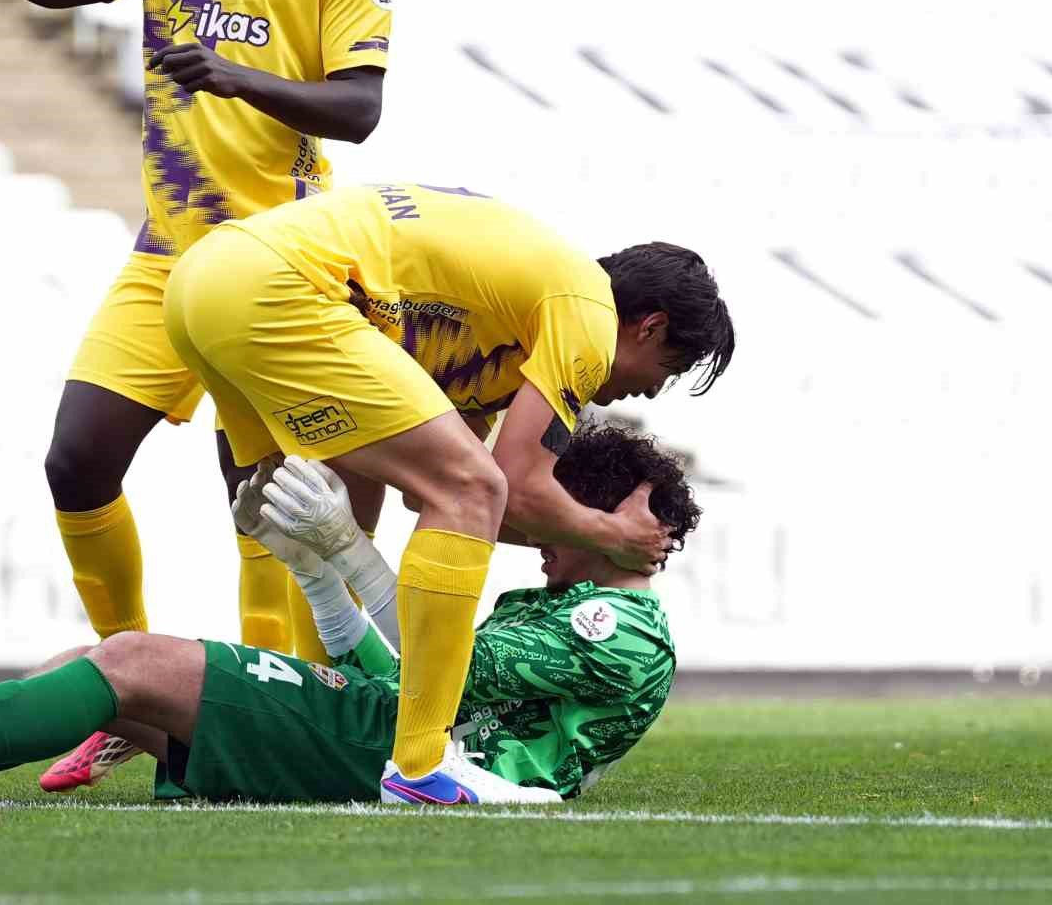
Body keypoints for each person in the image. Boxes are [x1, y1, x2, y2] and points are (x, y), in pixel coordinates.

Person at [20, 0, 393, 785]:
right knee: (76, 460)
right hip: (163, 257)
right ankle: (121, 686)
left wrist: (231, 75)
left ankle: (255, 729)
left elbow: (360, 110)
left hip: (275, 267)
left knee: (263, 510)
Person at [0, 425, 696, 808]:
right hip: (395, 740)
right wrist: (317, 580)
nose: (536, 526)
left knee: (133, 663)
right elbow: (419, 682)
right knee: (92, 662)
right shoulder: (566, 604)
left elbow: (453, 672)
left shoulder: (622, 628)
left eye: (563, 512)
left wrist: (352, 557)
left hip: (422, 775)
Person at [155, 180, 732, 803]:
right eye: (668, 372)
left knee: (335, 506)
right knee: (464, 488)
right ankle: (420, 763)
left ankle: (285, 705)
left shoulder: (508, 331)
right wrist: (615, 535)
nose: (650, 393)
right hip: (279, 286)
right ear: (650, 326)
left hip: (201, 280)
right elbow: (508, 490)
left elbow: (436, 498)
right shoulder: (587, 318)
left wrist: (563, 528)